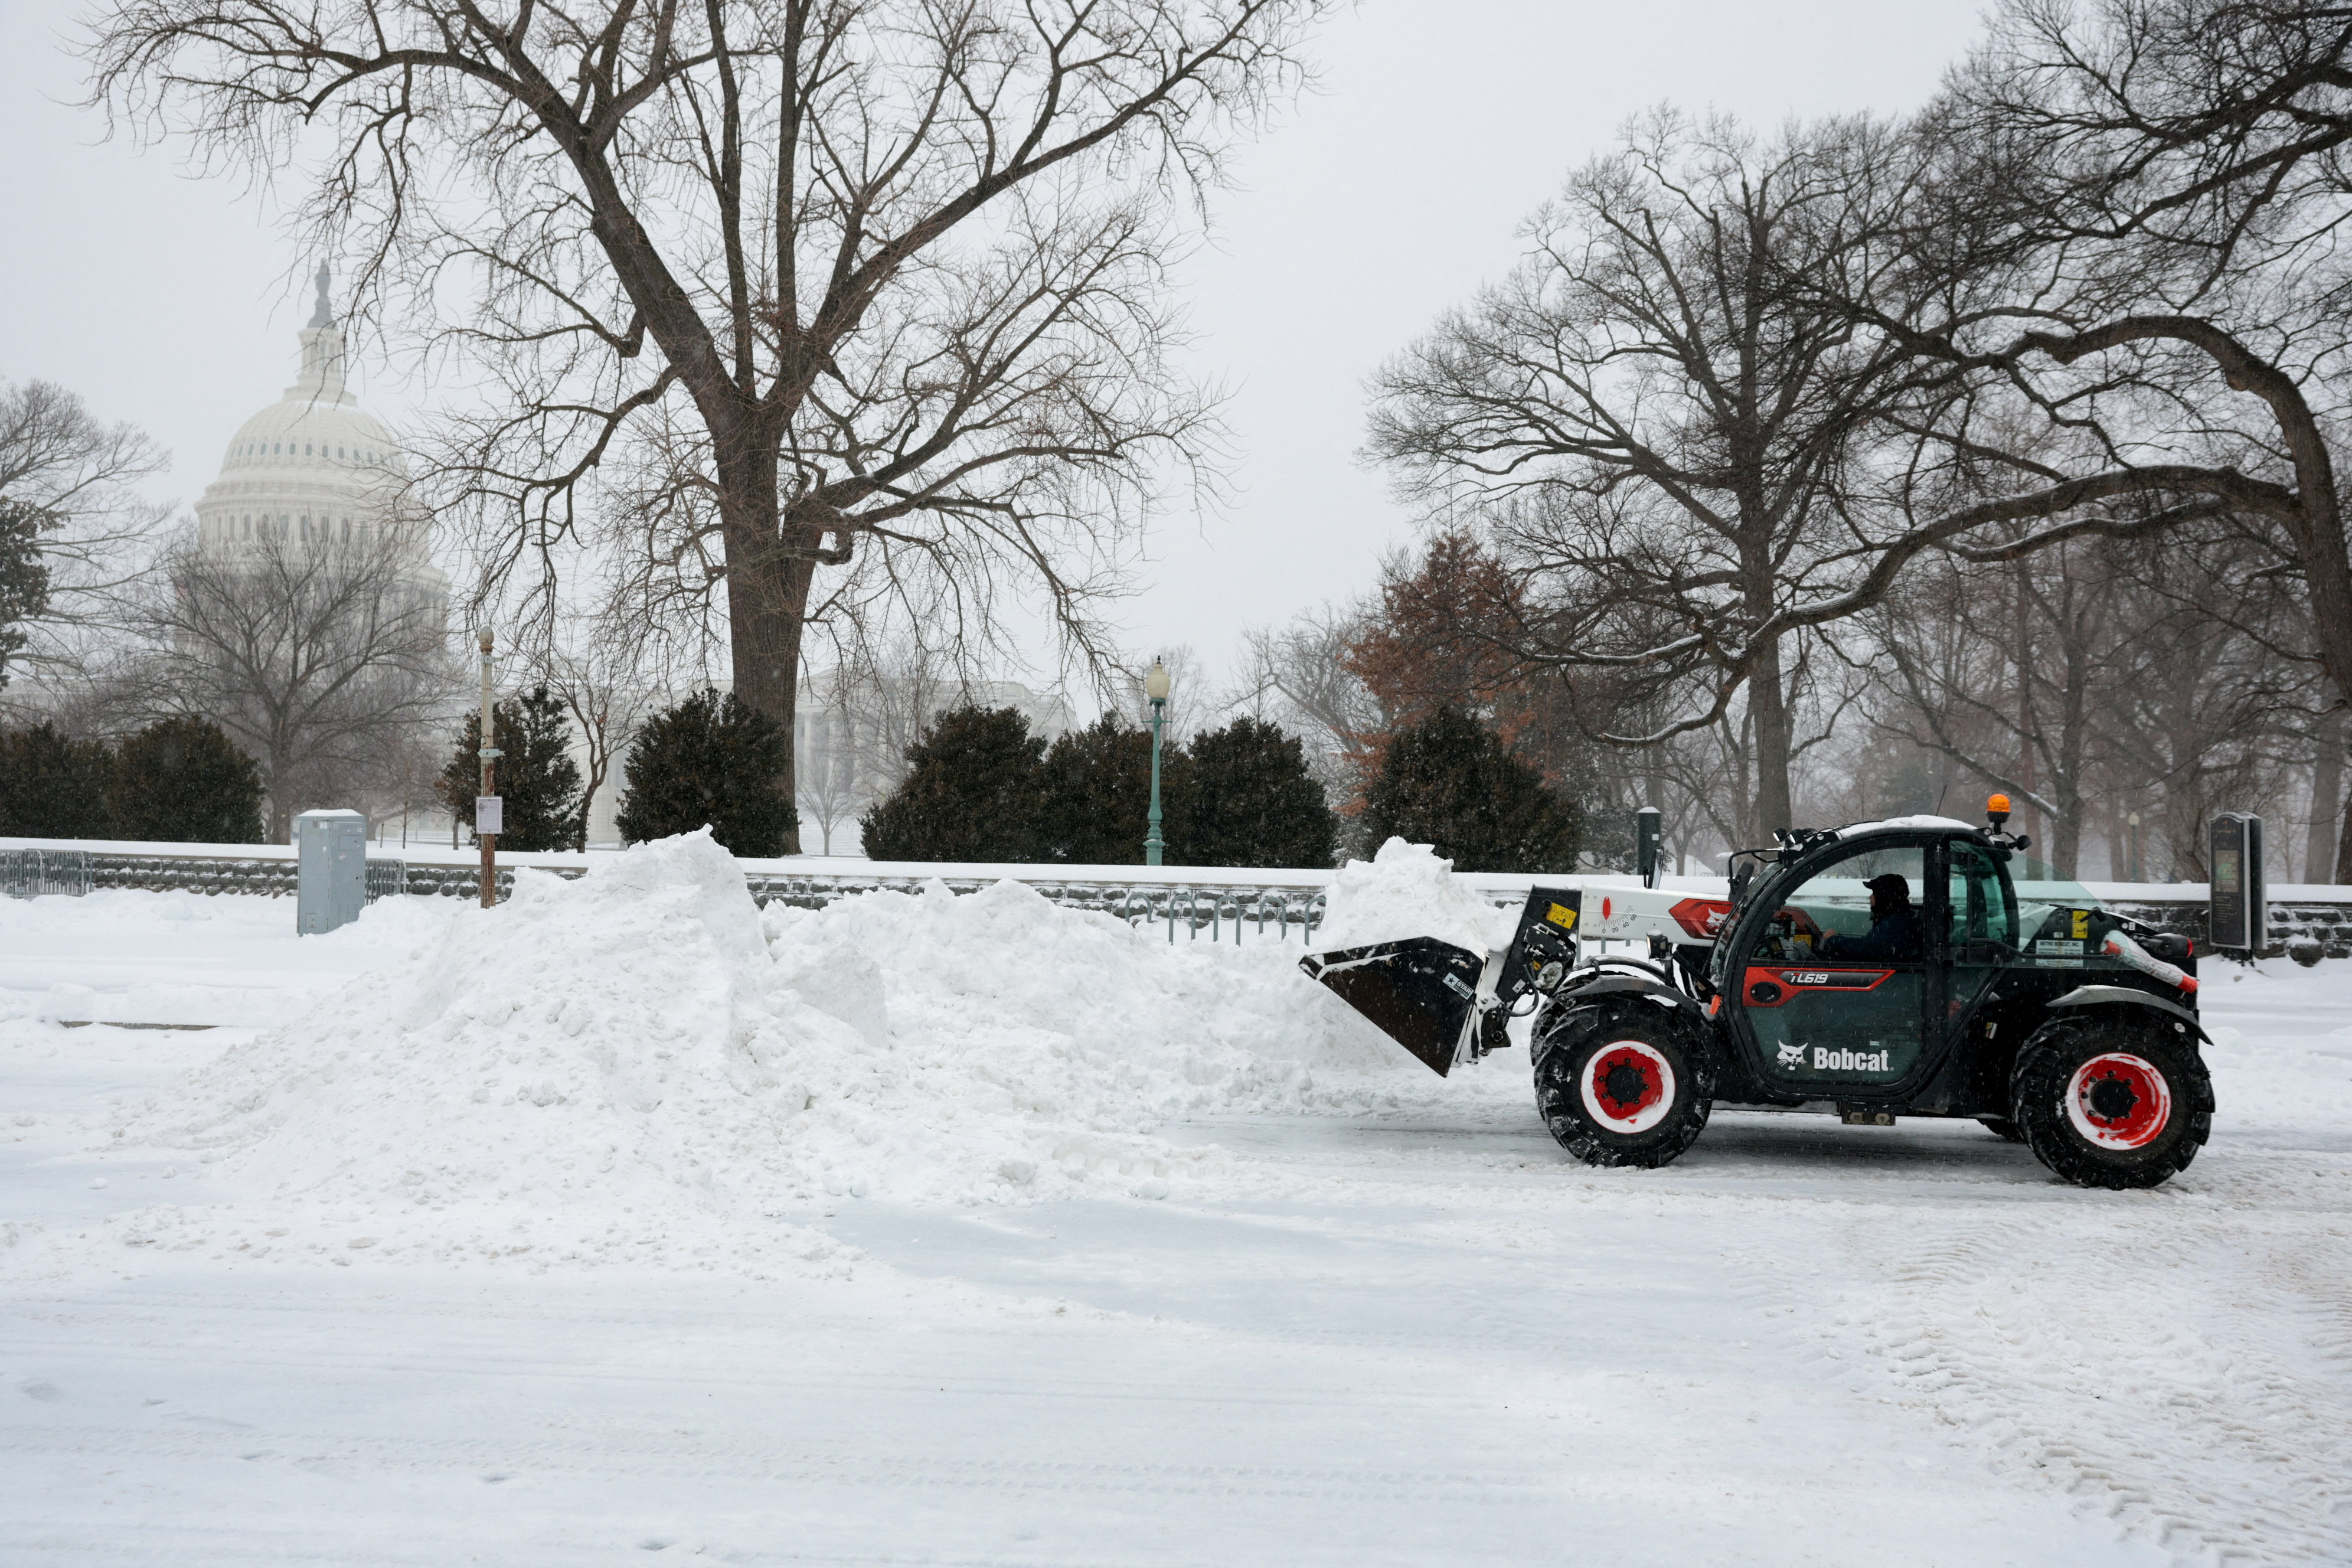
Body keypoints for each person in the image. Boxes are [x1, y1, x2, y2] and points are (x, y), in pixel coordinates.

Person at [1791, 873, 1923, 962]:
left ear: (1884, 897)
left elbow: (1867, 949)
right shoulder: (1899, 916)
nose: (1870, 897)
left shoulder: (1897, 923)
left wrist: (1833, 940)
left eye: (1874, 894)